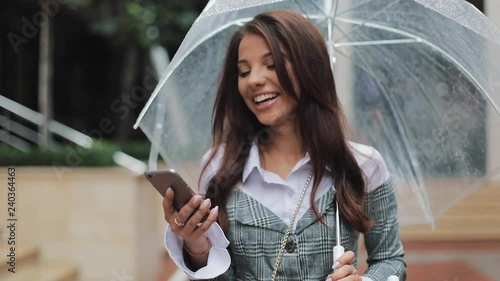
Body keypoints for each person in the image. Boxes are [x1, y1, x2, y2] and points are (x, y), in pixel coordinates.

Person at [162, 9, 407, 281]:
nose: (254, 79)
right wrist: (197, 246)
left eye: (272, 64)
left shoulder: (362, 165)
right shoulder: (220, 167)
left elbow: (390, 260)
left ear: (309, 70)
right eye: (244, 71)